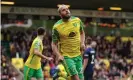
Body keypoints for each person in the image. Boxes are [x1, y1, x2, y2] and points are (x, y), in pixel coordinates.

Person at [51, 4, 85, 80]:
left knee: (81, 78)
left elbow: (82, 33)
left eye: (67, 9)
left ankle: (61, 77)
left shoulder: (77, 20)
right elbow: (53, 44)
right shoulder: (56, 27)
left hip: (78, 55)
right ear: (60, 14)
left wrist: (82, 43)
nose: (67, 10)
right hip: (66, 57)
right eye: (63, 10)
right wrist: (58, 55)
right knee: (76, 78)